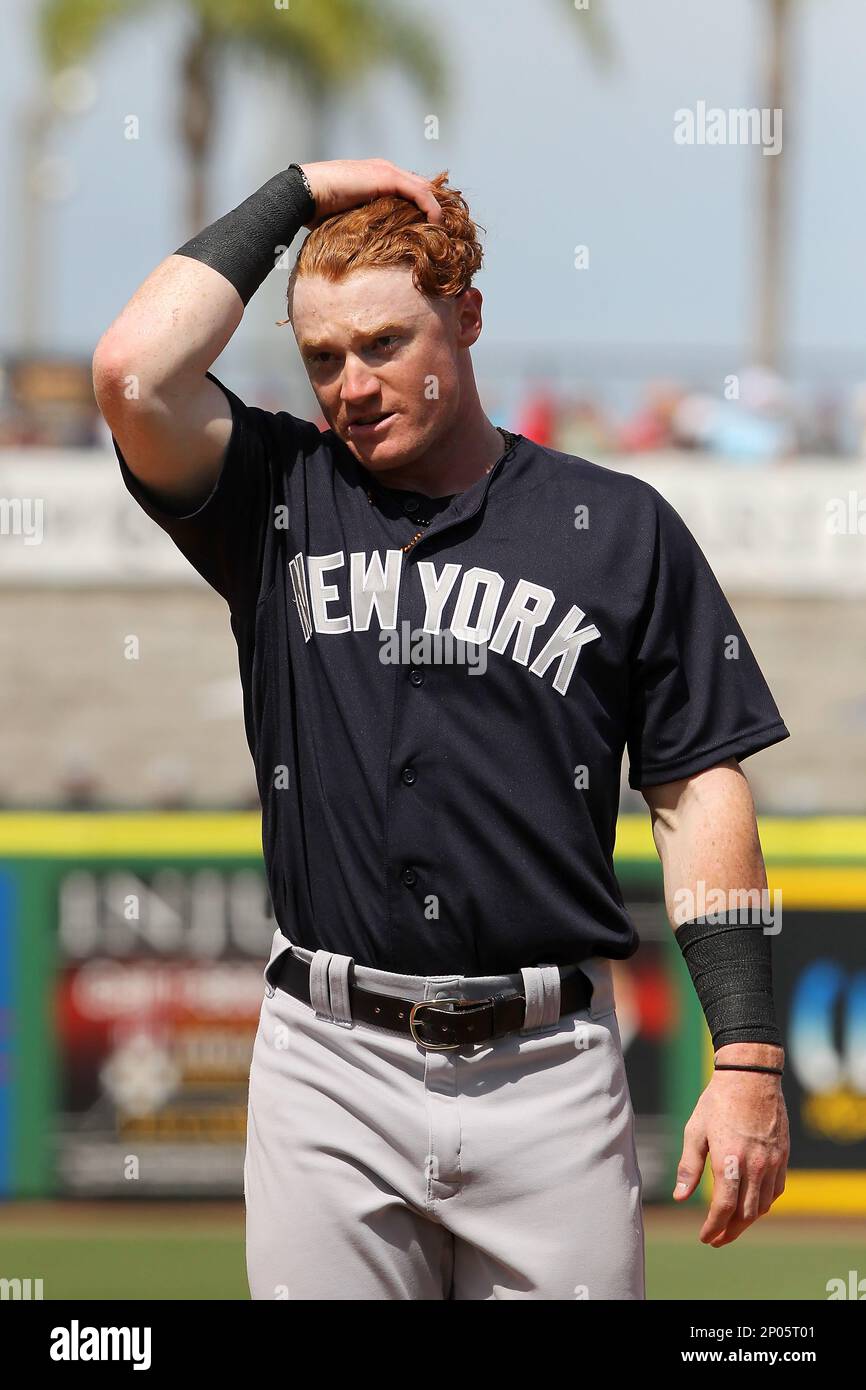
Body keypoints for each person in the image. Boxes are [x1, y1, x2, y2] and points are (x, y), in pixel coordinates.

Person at [93, 158, 791, 1301]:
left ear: (465, 318)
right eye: (322, 357)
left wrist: (749, 1055)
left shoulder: (615, 528)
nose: (351, 384)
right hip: (328, 1062)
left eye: (383, 342)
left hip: (547, 1071)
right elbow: (130, 371)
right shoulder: (274, 495)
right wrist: (301, 192)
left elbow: (694, 791)